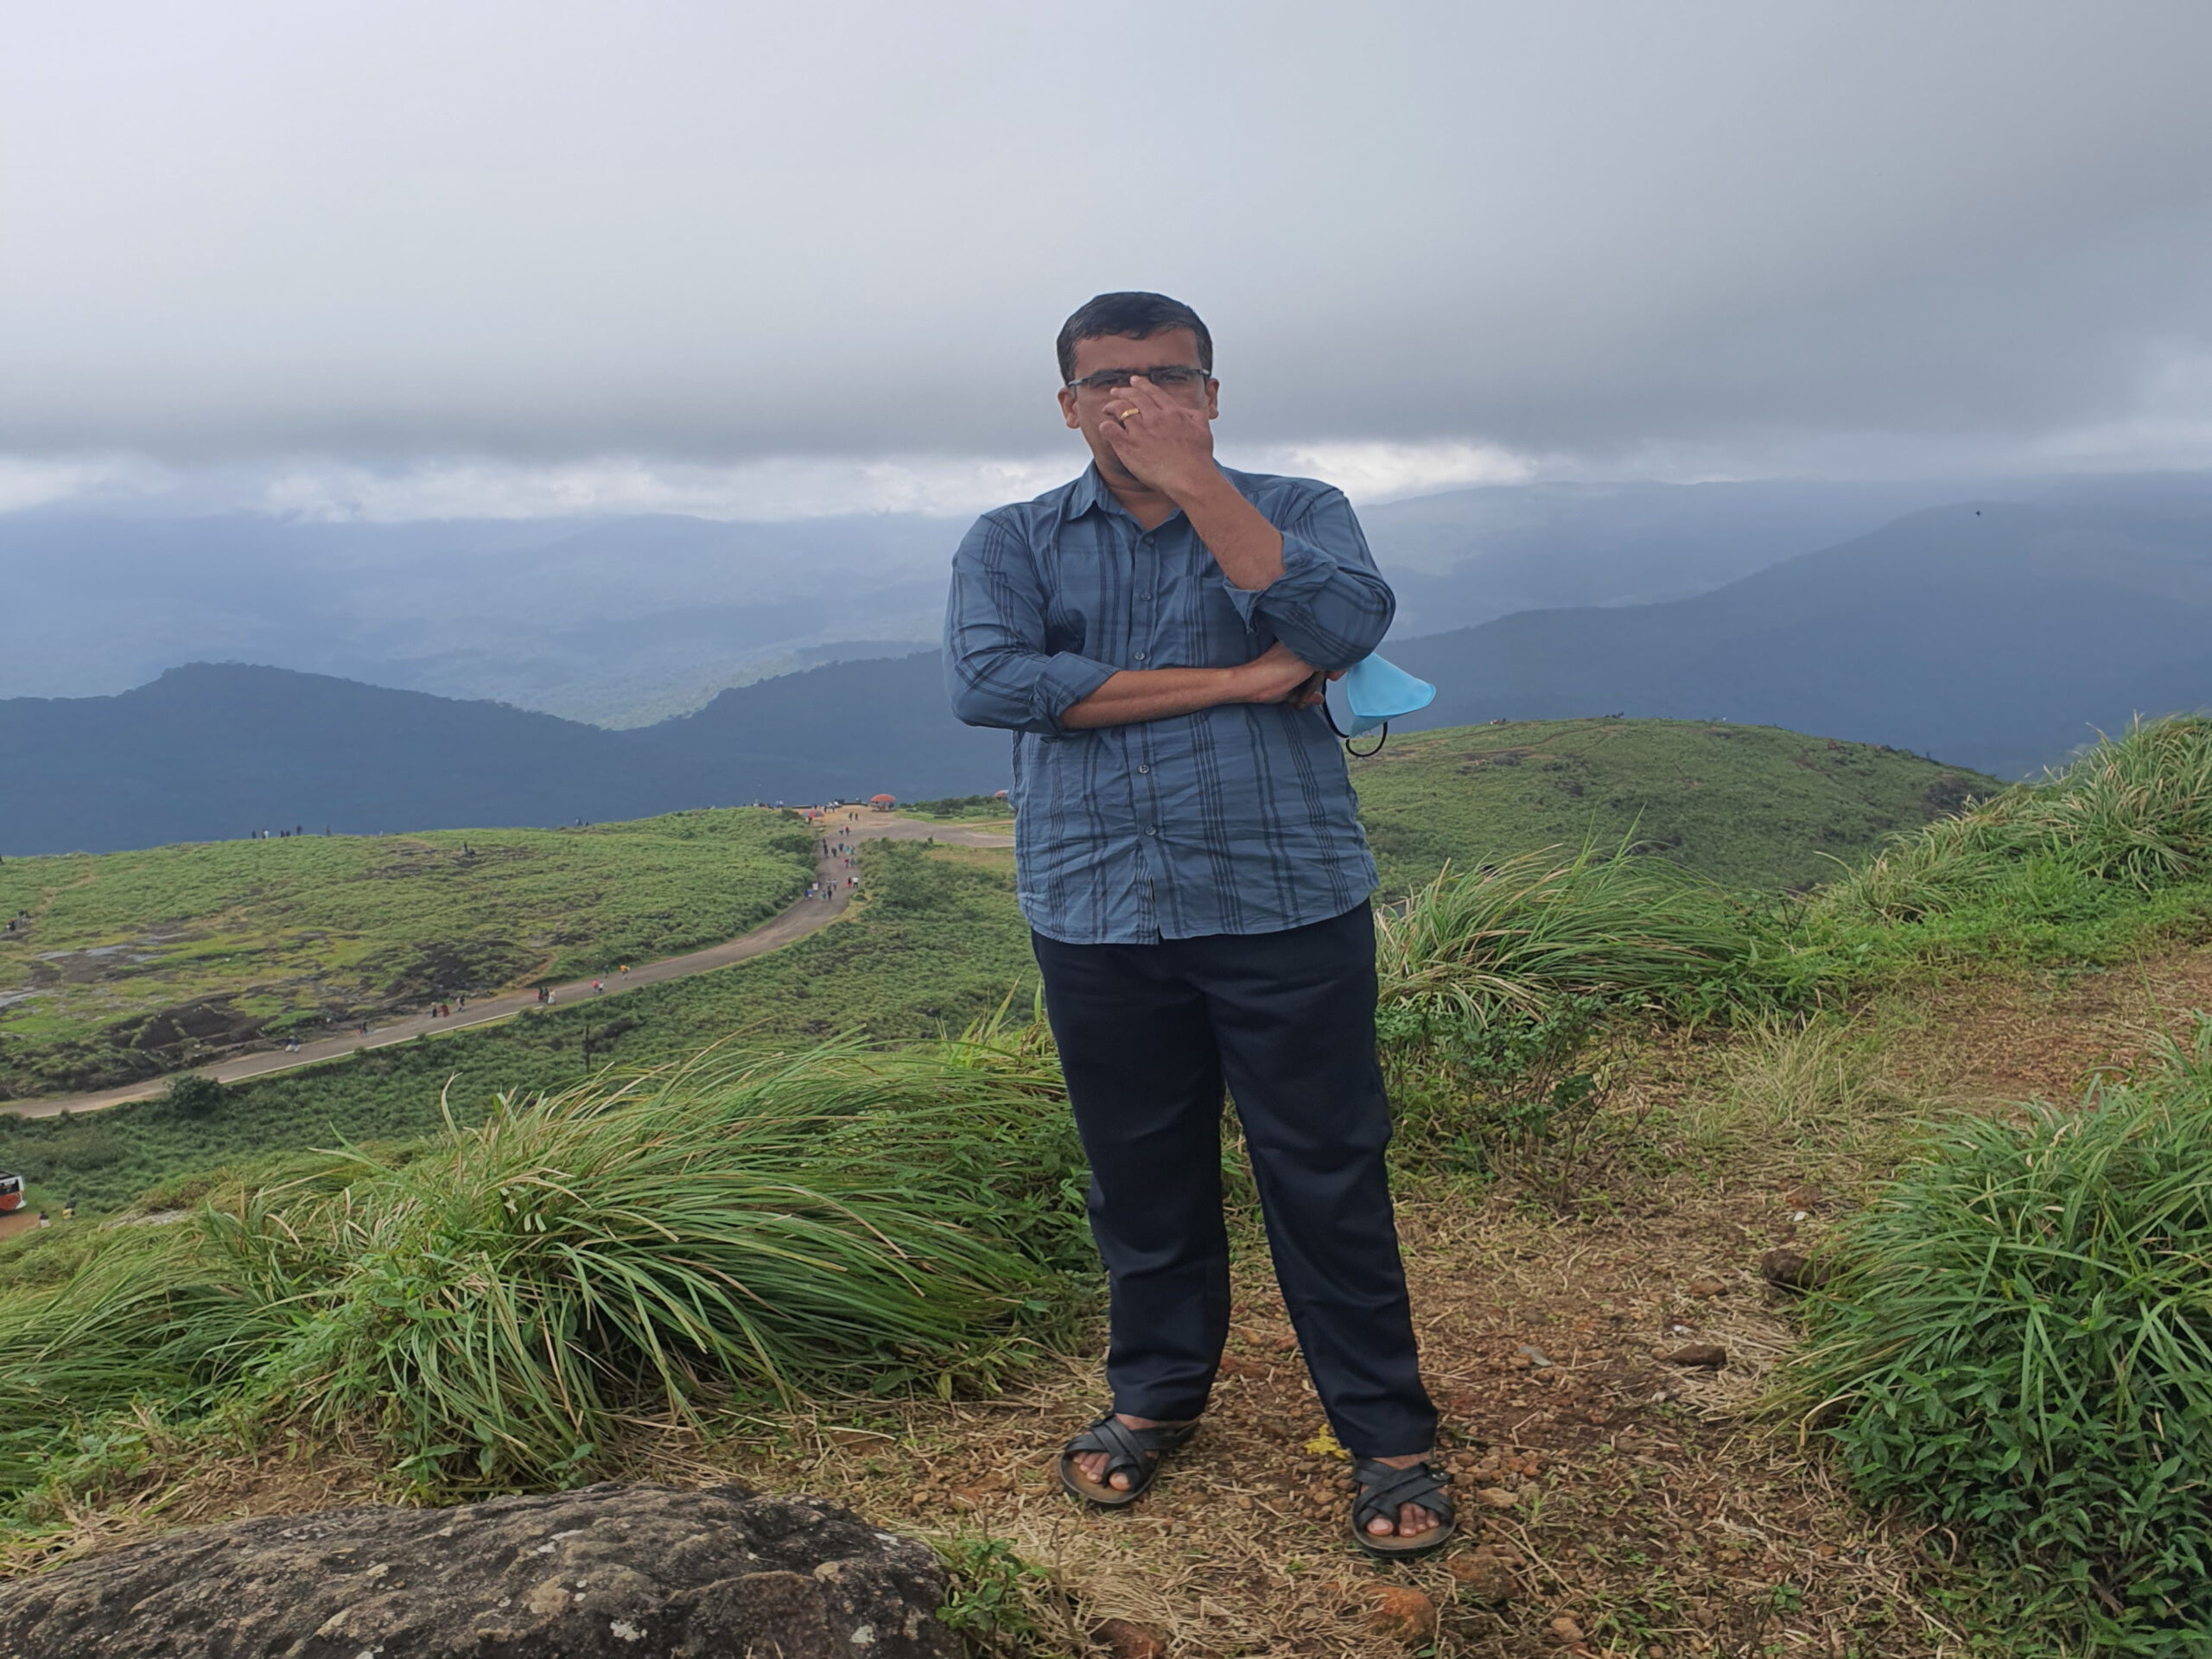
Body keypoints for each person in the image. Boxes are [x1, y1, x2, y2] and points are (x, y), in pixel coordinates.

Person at [943, 291, 1451, 1556]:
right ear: (1068, 404)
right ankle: (1156, 1397)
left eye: (1167, 377)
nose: (1136, 399)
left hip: (1284, 891)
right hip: (1096, 903)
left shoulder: (1300, 509)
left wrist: (1200, 486)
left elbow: (1341, 625)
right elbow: (994, 683)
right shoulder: (1011, 538)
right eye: (1107, 381)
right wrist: (1235, 680)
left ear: (1212, 394)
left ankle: (1388, 1433)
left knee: (1326, 1167)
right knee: (1140, 1174)